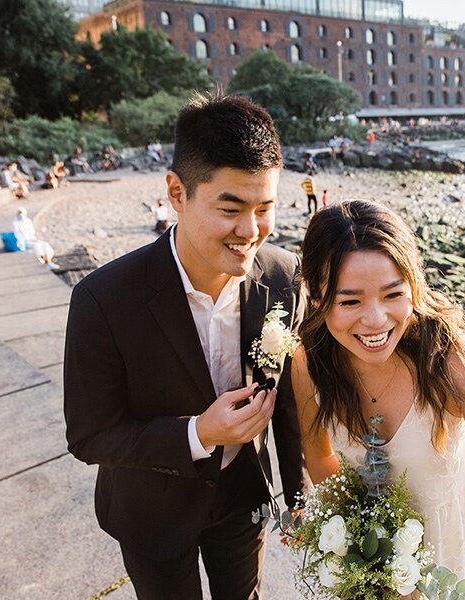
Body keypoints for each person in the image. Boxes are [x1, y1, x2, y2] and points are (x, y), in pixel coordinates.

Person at [63, 93, 305, 600]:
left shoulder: (283, 274)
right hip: (151, 509)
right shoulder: (103, 299)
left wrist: (297, 493)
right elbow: (90, 435)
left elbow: (284, 395)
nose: (251, 230)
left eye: (266, 208)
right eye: (231, 208)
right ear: (177, 192)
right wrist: (198, 433)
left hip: (244, 498)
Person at [292, 200, 465, 600]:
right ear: (316, 296)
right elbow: (319, 458)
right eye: (350, 301)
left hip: (458, 559)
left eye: (392, 295)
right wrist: (363, 551)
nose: (376, 320)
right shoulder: (307, 364)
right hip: (374, 570)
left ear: (414, 286)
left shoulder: (456, 366)